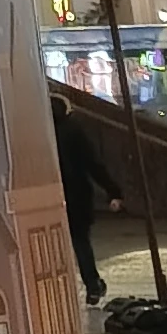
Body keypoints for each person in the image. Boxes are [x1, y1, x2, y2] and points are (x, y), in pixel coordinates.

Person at [53, 92, 121, 306]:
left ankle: (56, 291)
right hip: (76, 194)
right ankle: (92, 285)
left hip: (49, 196)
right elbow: (93, 163)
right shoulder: (73, 129)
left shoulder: (39, 130)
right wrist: (113, 191)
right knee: (80, 240)